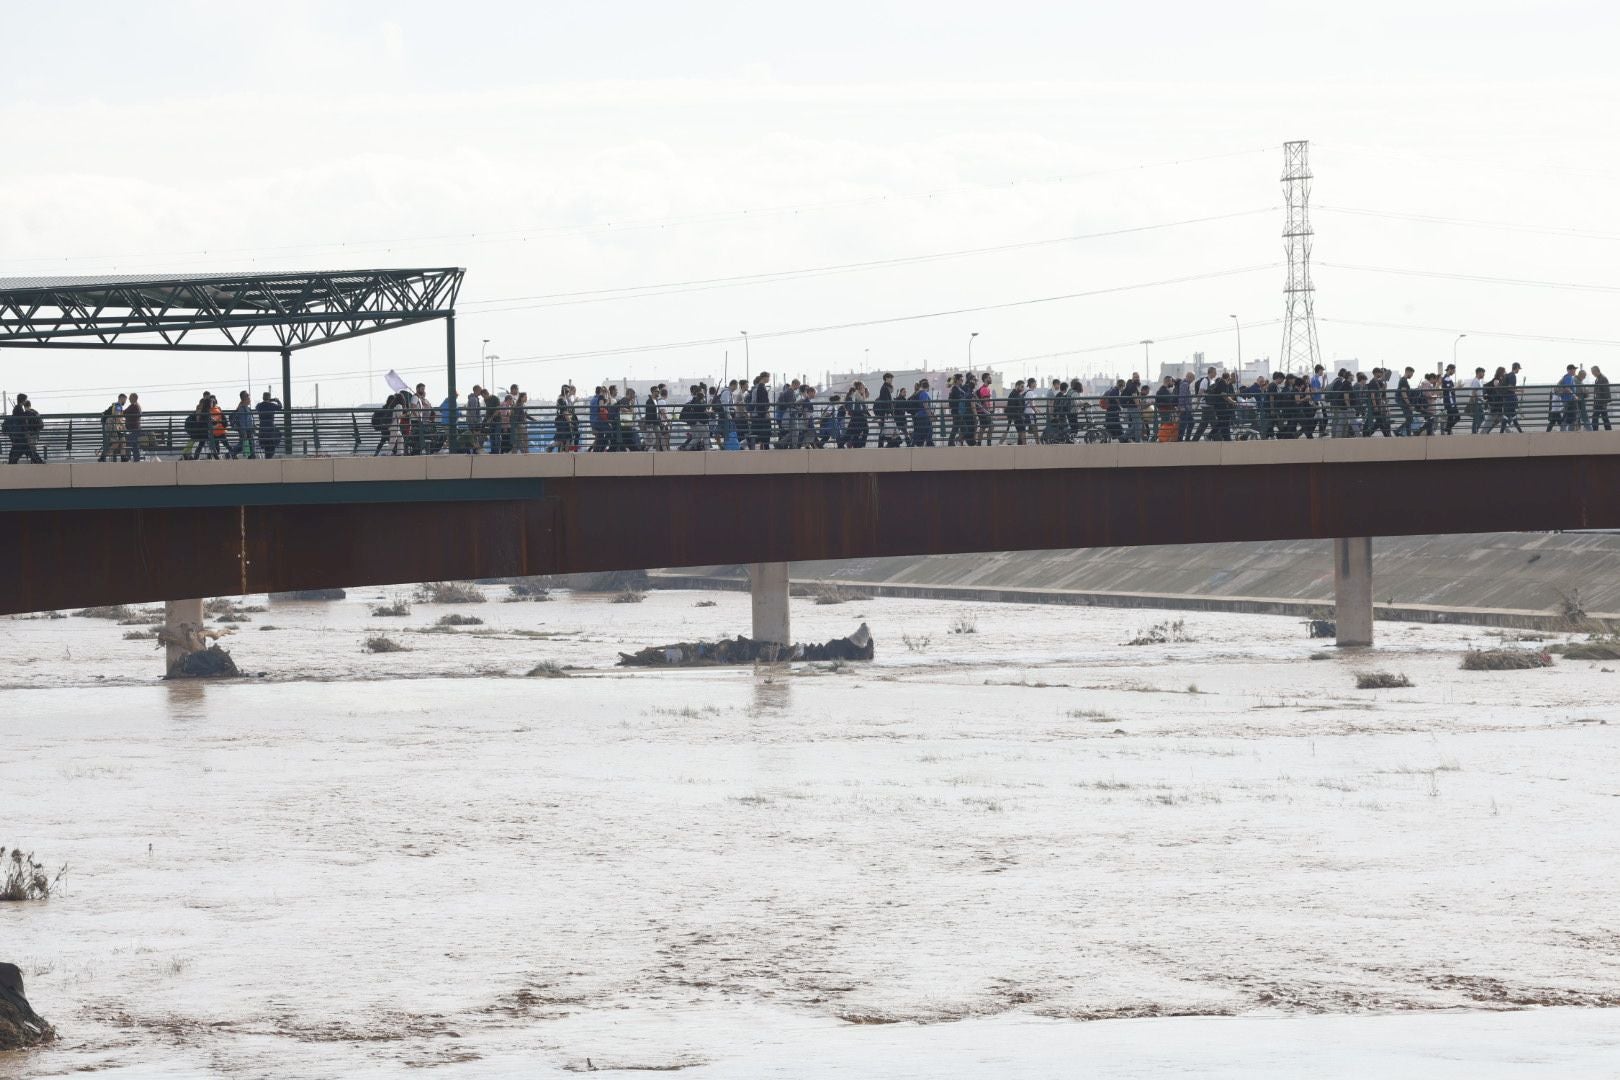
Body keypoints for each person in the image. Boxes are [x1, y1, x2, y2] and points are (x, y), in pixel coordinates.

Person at [5, 395, 44, 464]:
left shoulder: (18, 408)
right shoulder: (19, 409)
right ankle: (40, 463)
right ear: (23, 400)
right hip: (20, 436)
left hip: (19, 437)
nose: (26, 401)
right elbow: (21, 421)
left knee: (17, 452)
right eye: (25, 400)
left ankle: (11, 465)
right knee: (26, 450)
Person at [98, 393, 127, 462]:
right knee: (116, 442)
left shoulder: (115, 405)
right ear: (121, 398)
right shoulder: (118, 406)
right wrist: (123, 426)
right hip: (111, 425)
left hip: (113, 425)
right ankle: (103, 457)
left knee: (123, 440)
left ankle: (123, 457)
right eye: (125, 400)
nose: (125, 402)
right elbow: (117, 417)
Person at [256, 392, 283, 458]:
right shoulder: (271, 405)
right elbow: (280, 407)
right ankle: (269, 458)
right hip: (270, 428)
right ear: (269, 398)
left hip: (262, 428)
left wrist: (268, 400)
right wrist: (277, 400)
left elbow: (257, 407)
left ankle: (267, 458)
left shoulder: (259, 405)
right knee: (277, 438)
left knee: (266, 447)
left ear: (263, 397)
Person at [231, 390, 257, 458]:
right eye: (248, 397)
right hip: (245, 430)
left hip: (248, 429)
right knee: (244, 444)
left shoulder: (246, 408)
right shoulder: (242, 409)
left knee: (248, 443)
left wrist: (253, 425)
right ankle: (232, 453)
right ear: (245, 398)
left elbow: (248, 419)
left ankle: (252, 455)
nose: (250, 399)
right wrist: (244, 431)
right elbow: (242, 421)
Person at [124, 392, 144, 461]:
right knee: (133, 443)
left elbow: (124, 412)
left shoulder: (134, 406)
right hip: (134, 428)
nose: (129, 399)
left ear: (134, 398)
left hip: (134, 429)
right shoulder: (134, 405)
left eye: (130, 397)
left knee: (132, 443)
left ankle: (135, 459)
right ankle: (136, 459)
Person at [1592, 365, 1612, 432]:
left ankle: (1595, 431)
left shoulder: (1603, 378)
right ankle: (1608, 430)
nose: (1592, 374)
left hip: (1601, 402)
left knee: (1596, 417)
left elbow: (1606, 391)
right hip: (1599, 402)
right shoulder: (1598, 379)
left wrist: (1605, 402)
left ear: (1597, 371)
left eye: (1593, 372)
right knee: (1604, 417)